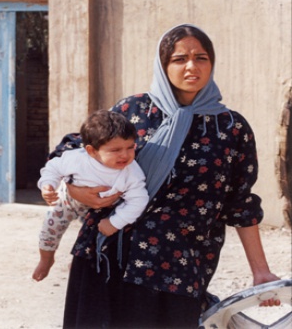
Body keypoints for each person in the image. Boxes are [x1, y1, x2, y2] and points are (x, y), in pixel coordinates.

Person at [50, 24, 281, 328]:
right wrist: (76, 192)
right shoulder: (133, 110)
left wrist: (261, 271)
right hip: (108, 255)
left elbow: (240, 204)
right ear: (163, 64)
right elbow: (74, 152)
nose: (191, 67)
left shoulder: (230, 128)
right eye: (179, 59)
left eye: (201, 58)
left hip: (178, 265)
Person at [32, 110, 149, 282]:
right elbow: (53, 168)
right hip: (67, 200)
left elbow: (139, 200)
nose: (125, 155)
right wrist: (47, 186)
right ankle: (46, 258)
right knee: (50, 230)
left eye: (130, 147)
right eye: (115, 150)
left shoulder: (131, 173)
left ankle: (78, 266)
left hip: (101, 210)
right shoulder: (75, 159)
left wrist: (115, 222)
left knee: (93, 241)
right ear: (92, 151)